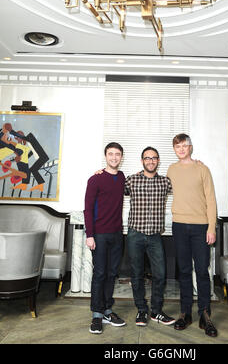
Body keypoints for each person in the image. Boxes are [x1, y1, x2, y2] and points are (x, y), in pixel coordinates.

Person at [167, 133, 218, 337]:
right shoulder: (171, 169)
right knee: (185, 272)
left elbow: (212, 200)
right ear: (174, 149)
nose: (181, 149)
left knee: (202, 272)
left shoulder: (202, 169)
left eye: (184, 145)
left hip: (200, 227)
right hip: (179, 225)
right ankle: (185, 313)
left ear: (190, 147)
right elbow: (156, 184)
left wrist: (211, 228)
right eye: (177, 146)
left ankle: (205, 316)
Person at [125, 147, 175, 327]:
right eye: (147, 158)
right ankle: (141, 310)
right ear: (142, 161)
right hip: (135, 234)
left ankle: (156, 311)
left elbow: (185, 186)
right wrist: (101, 173)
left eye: (154, 158)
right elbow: (112, 189)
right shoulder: (131, 180)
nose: (151, 161)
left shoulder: (165, 182)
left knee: (160, 274)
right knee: (136, 274)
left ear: (158, 161)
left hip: (155, 236)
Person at [84, 142, 126, 334]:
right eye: (111, 154)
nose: (114, 157)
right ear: (105, 156)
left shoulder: (122, 177)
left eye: (117, 154)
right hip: (99, 235)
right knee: (100, 274)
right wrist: (90, 235)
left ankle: (108, 310)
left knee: (111, 274)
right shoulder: (95, 179)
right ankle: (96, 315)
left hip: (117, 234)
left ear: (121, 157)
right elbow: (88, 208)